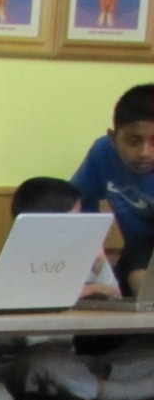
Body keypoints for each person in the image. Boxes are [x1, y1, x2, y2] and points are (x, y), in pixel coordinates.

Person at [0, 178, 154, 400]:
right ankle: (107, 390)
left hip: (72, 360)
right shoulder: (9, 260)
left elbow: (113, 297)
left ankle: (88, 385)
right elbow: (32, 331)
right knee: (46, 360)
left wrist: (99, 262)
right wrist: (84, 291)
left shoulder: (77, 260)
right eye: (73, 218)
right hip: (24, 360)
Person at [70, 83, 154, 289]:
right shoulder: (102, 153)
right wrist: (92, 250)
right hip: (137, 249)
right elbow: (77, 205)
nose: (145, 152)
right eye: (133, 141)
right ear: (113, 139)